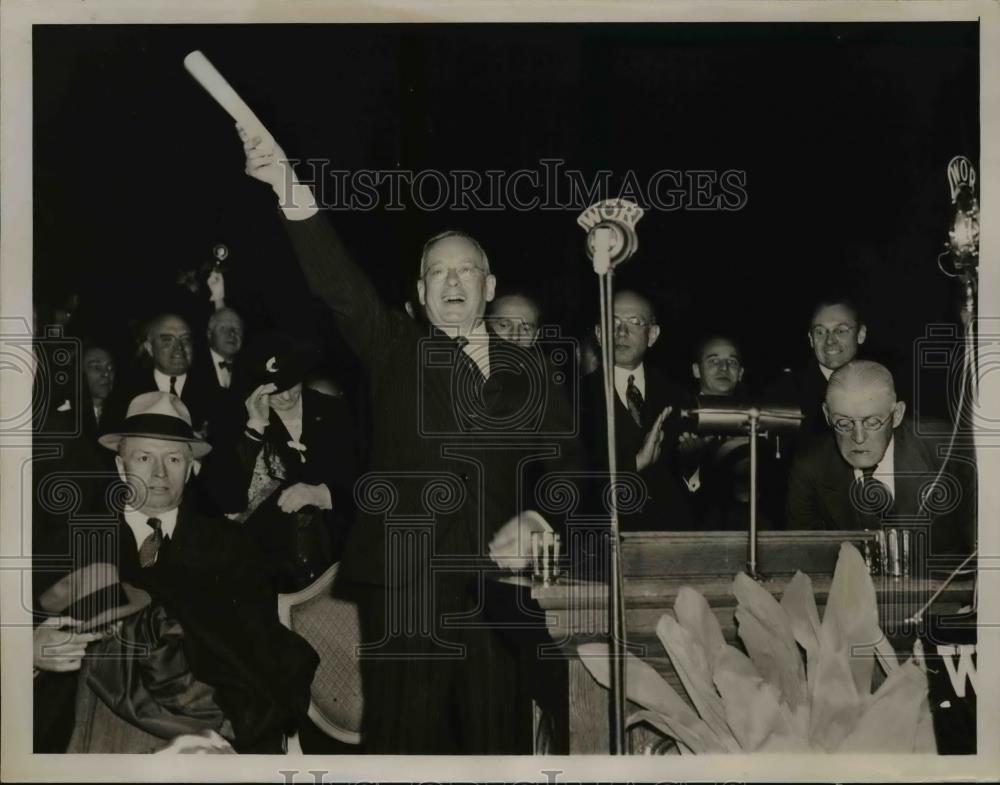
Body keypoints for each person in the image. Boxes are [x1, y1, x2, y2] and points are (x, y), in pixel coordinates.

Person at [238, 128, 581, 754]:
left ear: (490, 284)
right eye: (437, 272)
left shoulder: (532, 372)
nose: (453, 281)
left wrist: (540, 514)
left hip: (497, 591)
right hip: (405, 587)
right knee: (403, 747)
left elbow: (569, 470)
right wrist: (287, 184)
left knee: (495, 747)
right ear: (420, 293)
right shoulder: (393, 346)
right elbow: (337, 280)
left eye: (467, 269)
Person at [59, 390, 318, 752]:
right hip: (101, 717)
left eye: (175, 459)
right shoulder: (77, 540)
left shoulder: (230, 545)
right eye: (144, 457)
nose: (159, 473)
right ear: (121, 467)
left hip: (210, 721)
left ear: (191, 468)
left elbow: (253, 650)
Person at [201, 334, 359, 592]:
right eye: (275, 391)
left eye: (291, 385)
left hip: (335, 561)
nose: (286, 397)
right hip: (264, 568)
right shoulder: (235, 419)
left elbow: (366, 480)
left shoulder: (333, 412)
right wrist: (255, 427)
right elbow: (225, 499)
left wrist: (325, 494)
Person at [785, 360, 976, 557]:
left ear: (897, 414)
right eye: (843, 422)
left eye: (873, 422)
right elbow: (803, 560)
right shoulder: (810, 466)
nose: (858, 437)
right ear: (827, 415)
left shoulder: (952, 452)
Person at [581, 290, 697, 531]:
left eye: (635, 322)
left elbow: (694, 487)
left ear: (652, 335)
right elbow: (572, 485)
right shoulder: (574, 397)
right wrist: (635, 464)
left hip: (669, 539)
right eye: (612, 323)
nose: (622, 332)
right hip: (604, 543)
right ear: (599, 334)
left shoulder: (679, 397)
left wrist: (693, 463)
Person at [107, 313, 216, 436]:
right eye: (167, 341)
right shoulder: (125, 395)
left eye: (185, 340)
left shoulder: (214, 395)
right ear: (149, 348)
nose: (179, 348)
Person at [204, 307, 244, 393]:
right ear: (209, 335)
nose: (232, 333)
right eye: (223, 328)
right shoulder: (192, 368)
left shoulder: (247, 369)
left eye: (237, 329)